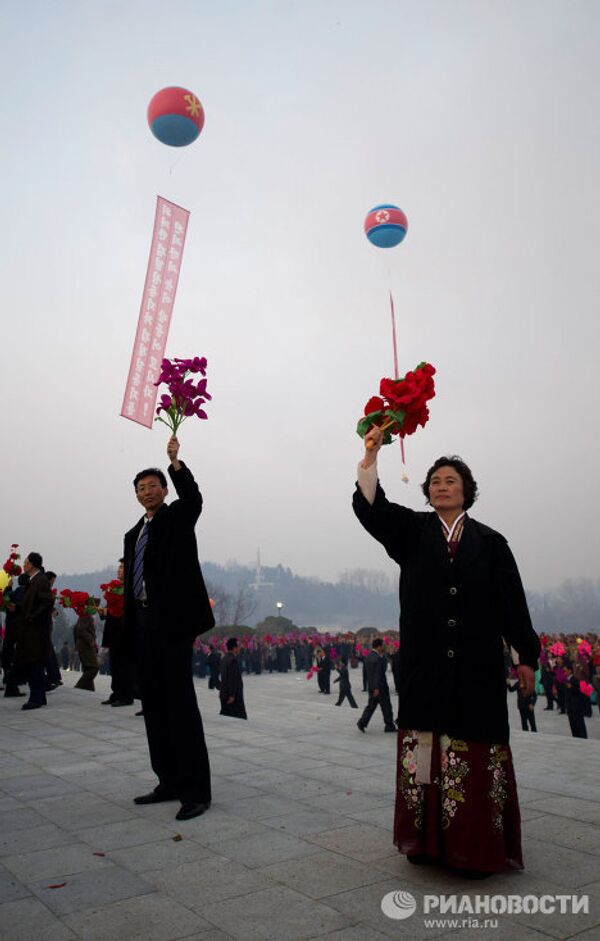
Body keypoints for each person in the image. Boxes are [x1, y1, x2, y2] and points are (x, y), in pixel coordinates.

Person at [353, 430, 541, 876]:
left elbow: (512, 603)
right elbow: (372, 508)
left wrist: (525, 657)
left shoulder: (492, 543)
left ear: (466, 491)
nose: (441, 485)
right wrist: (370, 453)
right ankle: (424, 842)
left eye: (450, 480)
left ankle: (474, 848)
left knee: (473, 752)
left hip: (478, 668)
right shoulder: (412, 532)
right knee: (424, 752)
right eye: (434, 480)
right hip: (424, 666)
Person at [123, 435, 214, 822]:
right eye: (141, 488)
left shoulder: (177, 518)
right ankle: (168, 781)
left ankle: (196, 791)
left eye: (153, 486)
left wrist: (176, 463)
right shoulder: (133, 535)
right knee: (155, 706)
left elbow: (193, 498)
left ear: (163, 489)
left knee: (180, 706)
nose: (147, 492)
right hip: (143, 626)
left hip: (173, 626)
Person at [13, 552, 55, 710]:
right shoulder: (33, 581)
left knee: (35, 665)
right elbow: (29, 604)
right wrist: (16, 608)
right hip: (30, 631)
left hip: (36, 632)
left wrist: (32, 617)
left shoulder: (41, 580)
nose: (24, 565)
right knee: (33, 664)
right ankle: (40, 697)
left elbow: (47, 603)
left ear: (32, 565)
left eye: (26, 563)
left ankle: (36, 698)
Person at [99, 559, 134, 706]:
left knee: (123, 664)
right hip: (113, 629)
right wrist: (103, 612)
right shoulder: (115, 587)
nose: (119, 570)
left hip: (123, 631)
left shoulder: (130, 588)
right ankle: (116, 693)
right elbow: (112, 610)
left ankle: (126, 696)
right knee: (113, 662)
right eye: (119, 567)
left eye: (122, 567)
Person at [357, 638, 396, 732]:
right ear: (378, 647)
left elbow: (369, 673)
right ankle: (389, 726)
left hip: (372, 686)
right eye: (382, 645)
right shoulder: (378, 658)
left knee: (371, 706)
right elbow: (378, 674)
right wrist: (377, 688)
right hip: (380, 687)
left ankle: (362, 722)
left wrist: (372, 687)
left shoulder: (369, 657)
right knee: (386, 706)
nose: (383, 647)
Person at [219, 637, 247, 719]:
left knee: (225, 717)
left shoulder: (224, 659)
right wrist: (232, 695)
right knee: (238, 718)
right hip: (232, 697)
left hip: (224, 693)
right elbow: (232, 679)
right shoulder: (232, 661)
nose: (239, 649)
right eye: (238, 647)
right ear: (234, 648)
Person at [73, 613, 99, 690]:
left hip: (84, 646)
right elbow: (79, 630)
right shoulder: (86, 615)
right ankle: (79, 685)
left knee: (88, 668)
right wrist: (91, 640)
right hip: (85, 646)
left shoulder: (85, 615)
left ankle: (89, 688)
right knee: (94, 667)